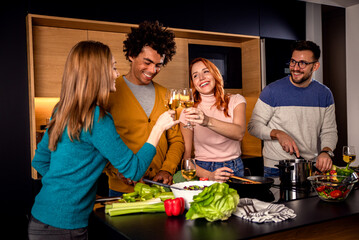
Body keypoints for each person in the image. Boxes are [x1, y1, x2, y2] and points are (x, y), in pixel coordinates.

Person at [28, 41, 178, 240]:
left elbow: (39, 160)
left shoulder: (62, 109)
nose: (116, 74)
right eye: (113, 68)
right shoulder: (98, 118)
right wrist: (159, 127)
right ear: (97, 73)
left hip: (41, 217)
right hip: (65, 227)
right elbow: (134, 169)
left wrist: (67, 191)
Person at [104, 21, 184, 196]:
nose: (152, 70)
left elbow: (176, 140)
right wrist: (116, 170)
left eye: (158, 65)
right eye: (147, 62)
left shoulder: (165, 95)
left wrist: (168, 170)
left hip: (160, 188)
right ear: (132, 54)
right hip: (122, 191)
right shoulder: (109, 92)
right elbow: (99, 142)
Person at [248, 40, 338, 177]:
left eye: (302, 63)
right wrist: (278, 133)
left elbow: (329, 131)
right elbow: (253, 126)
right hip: (276, 167)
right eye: (293, 62)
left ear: (315, 66)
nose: (295, 68)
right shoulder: (271, 91)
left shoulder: (324, 94)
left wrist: (326, 151)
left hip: (310, 167)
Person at [179, 57, 247, 182]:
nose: (201, 78)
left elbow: (239, 133)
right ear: (193, 83)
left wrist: (206, 121)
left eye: (206, 71)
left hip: (234, 168)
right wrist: (209, 175)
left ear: (215, 74)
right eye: (195, 75)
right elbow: (187, 159)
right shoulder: (188, 111)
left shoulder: (236, 100)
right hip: (203, 169)